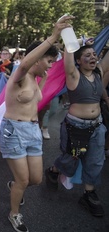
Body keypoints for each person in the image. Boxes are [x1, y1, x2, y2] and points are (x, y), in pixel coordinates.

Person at [0, 17, 64, 232]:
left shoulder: (36, 79)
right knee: (24, 179)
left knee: (35, 179)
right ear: (36, 59)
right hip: (13, 131)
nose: (52, 64)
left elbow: (36, 99)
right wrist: (53, 36)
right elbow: (26, 62)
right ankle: (14, 213)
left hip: (32, 131)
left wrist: (43, 79)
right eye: (49, 60)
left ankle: (15, 185)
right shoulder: (19, 74)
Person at [45, 36, 109, 217]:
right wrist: (77, 43)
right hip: (75, 128)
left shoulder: (99, 73)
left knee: (95, 161)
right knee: (70, 159)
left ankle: (88, 194)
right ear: (79, 61)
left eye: (94, 54)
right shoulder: (73, 75)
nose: (92, 57)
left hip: (97, 127)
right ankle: (53, 171)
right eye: (87, 55)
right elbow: (68, 57)